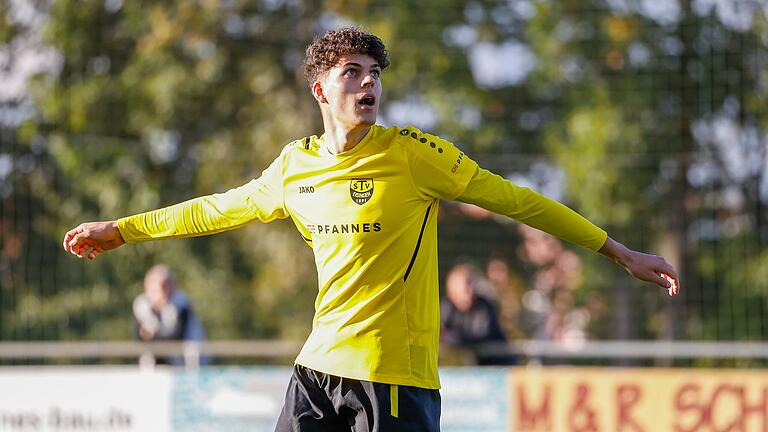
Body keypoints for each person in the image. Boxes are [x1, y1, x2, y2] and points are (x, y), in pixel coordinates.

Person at [62, 27, 679, 432]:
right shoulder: (293, 166)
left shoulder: (414, 154)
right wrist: (125, 229)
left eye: (374, 74)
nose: (368, 84)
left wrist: (615, 249)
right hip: (316, 373)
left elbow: (516, 200)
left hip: (393, 385)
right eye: (352, 72)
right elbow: (216, 209)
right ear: (320, 90)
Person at [440, 263, 515, 365]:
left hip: (495, 365)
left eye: (471, 285)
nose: (470, 291)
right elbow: (441, 334)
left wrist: (454, 339)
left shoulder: (484, 306)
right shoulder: (446, 307)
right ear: (451, 290)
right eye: (465, 288)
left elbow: (482, 336)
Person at [132, 264, 206, 366]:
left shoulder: (181, 305)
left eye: (164, 287)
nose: (159, 292)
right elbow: (138, 336)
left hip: (185, 361)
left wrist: (152, 335)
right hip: (154, 361)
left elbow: (175, 336)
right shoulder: (142, 305)